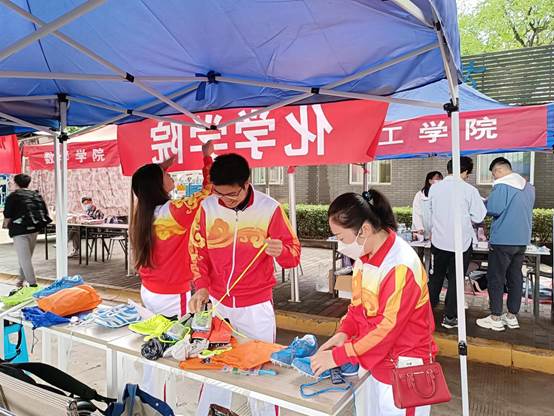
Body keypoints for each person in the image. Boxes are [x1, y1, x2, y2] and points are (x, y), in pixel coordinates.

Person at [188, 153, 301, 416]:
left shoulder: (269, 209)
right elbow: (197, 251)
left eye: (232, 194)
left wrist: (281, 251)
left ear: (247, 183)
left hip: (255, 308)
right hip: (218, 305)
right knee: (214, 370)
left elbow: (294, 254)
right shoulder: (207, 207)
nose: (225, 200)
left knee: (260, 376)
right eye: (219, 193)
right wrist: (201, 286)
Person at [310, 189, 436, 416]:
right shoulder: (364, 259)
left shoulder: (401, 266)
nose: (340, 245)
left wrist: (339, 356)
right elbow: (357, 308)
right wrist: (344, 332)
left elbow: (387, 329)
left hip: (404, 367)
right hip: (372, 362)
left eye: (341, 238)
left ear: (364, 230)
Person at [130, 141, 213, 317]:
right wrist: (207, 157)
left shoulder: (141, 213)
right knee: (178, 333)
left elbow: (147, 180)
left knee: (157, 331)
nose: (170, 175)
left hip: (149, 290)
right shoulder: (175, 211)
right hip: (171, 295)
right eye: (165, 174)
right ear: (157, 183)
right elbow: (209, 191)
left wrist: (162, 166)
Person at [476, 157, 535, 331]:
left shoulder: (502, 184)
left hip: (503, 239)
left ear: (498, 170)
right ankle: (511, 316)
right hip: (522, 240)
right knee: (515, 277)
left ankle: (495, 317)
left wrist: (483, 201)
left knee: (496, 278)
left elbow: (493, 209)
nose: (494, 178)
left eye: (493, 174)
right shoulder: (529, 187)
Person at [428, 157, 486, 329]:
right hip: (461, 243)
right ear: (465, 171)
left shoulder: (434, 189)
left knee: (435, 278)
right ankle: (450, 317)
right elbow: (479, 216)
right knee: (456, 280)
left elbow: (429, 213)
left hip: (438, 241)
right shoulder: (469, 190)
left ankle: (425, 315)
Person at [3, 174, 50, 289]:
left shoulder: (13, 196)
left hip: (20, 230)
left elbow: (7, 214)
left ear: (16, 183)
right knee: (26, 258)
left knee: (24, 259)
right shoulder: (35, 194)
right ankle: (20, 281)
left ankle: (33, 285)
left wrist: (5, 225)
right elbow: (45, 211)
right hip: (34, 229)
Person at [412, 171, 443, 240]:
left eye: (441, 179)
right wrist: (419, 228)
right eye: (437, 179)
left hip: (438, 234)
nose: (440, 181)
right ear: (430, 181)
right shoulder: (419, 195)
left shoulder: (441, 195)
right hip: (423, 232)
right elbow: (416, 213)